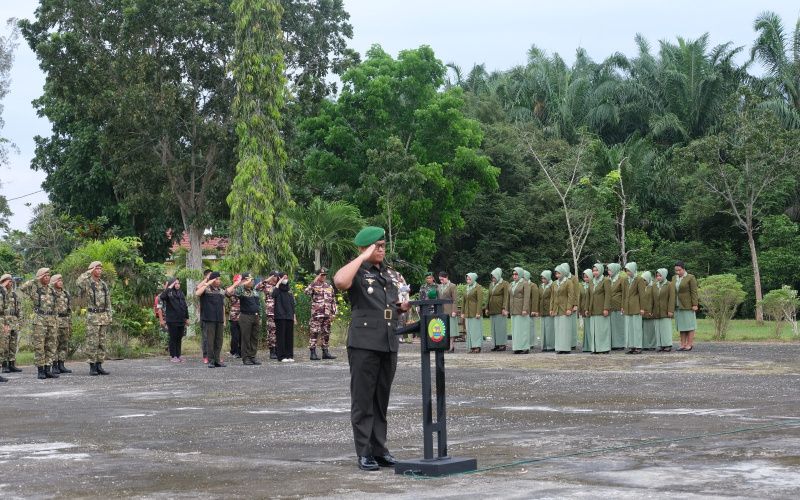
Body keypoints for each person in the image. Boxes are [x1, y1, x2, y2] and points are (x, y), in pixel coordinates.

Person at [333, 226, 409, 471]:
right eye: (376, 246)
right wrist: (362, 258)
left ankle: (379, 450)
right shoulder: (356, 271)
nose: (381, 249)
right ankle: (364, 452)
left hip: (388, 340)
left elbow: (391, 305)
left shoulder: (389, 273)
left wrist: (401, 307)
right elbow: (340, 282)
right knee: (363, 400)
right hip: (364, 342)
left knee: (380, 400)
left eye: (383, 245)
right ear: (363, 248)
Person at [20, 268, 60, 379]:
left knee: (51, 346)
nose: (47, 277)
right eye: (45, 275)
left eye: (48, 275)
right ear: (40, 276)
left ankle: (48, 369)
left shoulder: (51, 290)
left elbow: (55, 308)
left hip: (51, 321)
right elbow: (22, 288)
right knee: (40, 347)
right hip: (39, 321)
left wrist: (56, 322)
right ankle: (40, 370)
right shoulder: (35, 289)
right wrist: (35, 279)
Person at [228, 272, 263, 364]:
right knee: (246, 337)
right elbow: (235, 294)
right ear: (243, 280)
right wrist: (242, 284)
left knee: (254, 337)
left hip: (255, 316)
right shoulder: (241, 290)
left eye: (252, 280)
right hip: (245, 316)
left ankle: (252, 357)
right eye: (248, 280)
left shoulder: (254, 291)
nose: (250, 282)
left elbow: (258, 305)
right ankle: (246, 358)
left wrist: (260, 317)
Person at [305, 268, 337, 360]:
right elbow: (306, 292)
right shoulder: (314, 286)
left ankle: (325, 352)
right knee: (314, 333)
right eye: (321, 275)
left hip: (327, 314)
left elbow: (333, 300)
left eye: (324, 275)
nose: (323, 277)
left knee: (326, 333)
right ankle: (313, 353)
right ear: (317, 275)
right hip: (316, 314)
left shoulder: (329, 286)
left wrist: (333, 313)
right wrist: (314, 281)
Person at [196, 272, 226, 368]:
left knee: (219, 340)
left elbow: (223, 307)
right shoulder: (206, 289)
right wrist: (208, 283)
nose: (218, 281)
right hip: (209, 318)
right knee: (210, 340)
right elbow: (197, 293)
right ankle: (211, 360)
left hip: (219, 319)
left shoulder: (221, 291)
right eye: (216, 279)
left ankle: (217, 360)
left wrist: (224, 319)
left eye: (219, 279)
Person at [160, 278, 190, 362]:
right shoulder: (169, 293)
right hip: (172, 319)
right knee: (173, 337)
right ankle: (173, 356)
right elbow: (162, 296)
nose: (177, 285)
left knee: (179, 338)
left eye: (178, 283)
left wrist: (187, 318)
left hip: (181, 319)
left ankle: (178, 355)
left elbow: (185, 306)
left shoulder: (181, 293)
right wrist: (169, 287)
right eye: (175, 283)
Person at [673, 261, 698, 351]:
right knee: (682, 326)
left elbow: (694, 292)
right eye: (676, 270)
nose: (678, 272)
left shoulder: (690, 277)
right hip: (677, 305)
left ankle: (689, 344)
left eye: (679, 270)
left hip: (688, 305)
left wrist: (695, 304)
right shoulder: (674, 278)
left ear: (684, 269)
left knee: (689, 325)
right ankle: (683, 344)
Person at [272, 272, 297, 362]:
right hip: (280, 316)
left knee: (289, 336)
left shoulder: (289, 290)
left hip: (289, 315)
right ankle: (281, 356)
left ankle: (289, 355)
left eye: (286, 278)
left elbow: (292, 304)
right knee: (281, 336)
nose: (285, 280)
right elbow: (273, 295)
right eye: (283, 278)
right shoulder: (277, 289)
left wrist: (294, 316)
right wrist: (278, 283)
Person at [1, 274, 23, 376]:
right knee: (4, 344)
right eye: (8, 281)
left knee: (13, 344)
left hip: (14, 321)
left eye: (11, 281)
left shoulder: (14, 295)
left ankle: (12, 364)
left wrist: (20, 322)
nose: (10, 283)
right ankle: (4, 365)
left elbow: (19, 309)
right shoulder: (1, 293)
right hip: (5, 322)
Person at [50, 274, 73, 374]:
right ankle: (54, 365)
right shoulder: (51, 293)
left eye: (61, 280)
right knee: (55, 344)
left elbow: (69, 310)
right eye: (58, 280)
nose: (60, 282)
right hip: (55, 321)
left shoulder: (65, 293)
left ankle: (61, 364)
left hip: (64, 321)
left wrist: (69, 323)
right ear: (54, 282)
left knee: (63, 345)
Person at [550, 264, 575, 354]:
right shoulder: (554, 283)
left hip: (565, 309)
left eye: (559, 273)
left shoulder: (568, 282)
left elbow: (570, 296)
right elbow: (552, 296)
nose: (557, 275)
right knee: (558, 329)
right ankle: (560, 348)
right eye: (556, 273)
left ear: (563, 273)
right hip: (556, 309)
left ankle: (566, 348)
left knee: (565, 329)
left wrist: (569, 308)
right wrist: (551, 308)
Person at [622, 262, 645, 355]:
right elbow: (624, 294)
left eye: (629, 270)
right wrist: (623, 306)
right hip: (627, 307)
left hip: (636, 307)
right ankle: (631, 346)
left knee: (636, 328)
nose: (628, 272)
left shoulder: (639, 279)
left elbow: (642, 294)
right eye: (626, 271)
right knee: (629, 328)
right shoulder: (626, 280)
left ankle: (638, 347)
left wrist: (642, 308)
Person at [588, 264, 611, 354]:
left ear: (601, 270)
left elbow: (608, 295)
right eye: (593, 271)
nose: (595, 272)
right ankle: (595, 348)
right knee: (594, 330)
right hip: (593, 309)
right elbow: (589, 296)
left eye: (597, 270)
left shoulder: (606, 280)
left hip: (601, 309)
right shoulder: (591, 281)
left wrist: (606, 308)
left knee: (602, 330)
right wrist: (587, 308)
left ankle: (604, 348)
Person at [255, 271, 279, 359]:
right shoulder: (267, 285)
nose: (276, 277)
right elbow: (257, 287)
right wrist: (267, 280)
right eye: (275, 276)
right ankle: (272, 351)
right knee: (271, 332)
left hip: (280, 311)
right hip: (271, 311)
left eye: (277, 276)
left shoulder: (279, 285)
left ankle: (278, 349)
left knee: (279, 331)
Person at [485, 268, 509, 351]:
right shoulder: (491, 284)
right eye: (492, 277)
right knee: (494, 327)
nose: (493, 279)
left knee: (501, 327)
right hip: (492, 308)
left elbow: (506, 296)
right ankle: (496, 343)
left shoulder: (505, 284)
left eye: (494, 277)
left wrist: (504, 308)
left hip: (500, 309)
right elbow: (489, 296)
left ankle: (502, 344)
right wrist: (487, 307)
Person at [508, 267, 530, 354]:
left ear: (520, 274)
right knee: (515, 329)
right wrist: (507, 309)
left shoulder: (525, 284)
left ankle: (525, 347)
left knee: (523, 329)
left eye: (516, 274)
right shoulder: (511, 284)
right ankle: (517, 347)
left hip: (521, 309)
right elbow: (508, 297)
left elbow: (527, 297)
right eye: (513, 274)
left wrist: (525, 309)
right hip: (514, 309)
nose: (514, 276)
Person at [654, 268, 676, 352]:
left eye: (660, 276)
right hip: (657, 310)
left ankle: (667, 344)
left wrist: (670, 310)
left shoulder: (670, 285)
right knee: (658, 328)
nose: (658, 277)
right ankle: (661, 345)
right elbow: (653, 299)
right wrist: (652, 310)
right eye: (657, 276)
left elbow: (672, 298)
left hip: (665, 309)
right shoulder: (655, 285)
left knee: (665, 328)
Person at [461, 273, 484, 353]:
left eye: (470, 279)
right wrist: (462, 312)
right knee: (469, 330)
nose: (468, 281)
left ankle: (477, 346)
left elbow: (480, 301)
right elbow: (464, 301)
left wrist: (478, 312)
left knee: (476, 330)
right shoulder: (466, 288)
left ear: (473, 279)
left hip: (475, 312)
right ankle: (471, 346)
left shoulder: (478, 287)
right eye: (467, 279)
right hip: (467, 312)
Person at [438, 271, 458, 353]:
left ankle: (451, 346)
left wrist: (454, 311)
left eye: (442, 279)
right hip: (441, 310)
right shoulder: (439, 286)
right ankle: (444, 345)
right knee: (444, 329)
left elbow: (455, 299)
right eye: (440, 280)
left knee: (451, 329)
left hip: (450, 310)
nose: (441, 281)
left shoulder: (452, 286)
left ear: (446, 277)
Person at [608, 263, 625, 350]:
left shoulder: (621, 279)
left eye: (610, 270)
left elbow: (624, 293)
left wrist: (623, 305)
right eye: (608, 270)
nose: (609, 272)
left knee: (619, 325)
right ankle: (612, 343)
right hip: (610, 306)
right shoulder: (608, 279)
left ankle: (620, 344)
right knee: (611, 325)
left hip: (618, 305)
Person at [198, 268, 213, 363]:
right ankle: (206, 356)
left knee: (214, 337)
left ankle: (214, 355)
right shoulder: (204, 287)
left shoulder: (214, 288)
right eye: (210, 275)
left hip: (215, 316)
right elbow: (197, 289)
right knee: (206, 337)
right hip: (205, 315)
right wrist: (207, 280)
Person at [539, 270, 555, 351]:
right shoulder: (541, 286)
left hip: (549, 309)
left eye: (545, 278)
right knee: (543, 329)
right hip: (542, 310)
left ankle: (551, 345)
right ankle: (544, 345)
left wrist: (552, 308)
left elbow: (553, 297)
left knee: (550, 329)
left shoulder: (552, 285)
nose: (543, 280)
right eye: (542, 278)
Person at [227, 274, 242, 359]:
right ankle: (234, 351)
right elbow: (226, 293)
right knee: (235, 336)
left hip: (243, 316)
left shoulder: (243, 290)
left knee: (242, 336)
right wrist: (235, 285)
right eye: (238, 281)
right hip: (234, 317)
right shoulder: (232, 289)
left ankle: (241, 351)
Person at [641, 271, 657, 351]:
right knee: (644, 329)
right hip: (643, 310)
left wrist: (653, 310)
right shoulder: (643, 287)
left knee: (651, 329)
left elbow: (655, 299)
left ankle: (652, 345)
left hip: (650, 310)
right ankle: (645, 344)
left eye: (644, 280)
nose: (643, 282)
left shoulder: (653, 286)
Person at [525, 270, 541, 350]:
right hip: (524, 309)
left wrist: (534, 310)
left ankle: (531, 342)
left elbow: (535, 298)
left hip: (531, 309)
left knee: (531, 326)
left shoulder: (533, 285)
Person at [580, 269, 593, 353]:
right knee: (586, 328)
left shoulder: (593, 285)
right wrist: (580, 309)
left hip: (590, 309)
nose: (586, 279)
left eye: (587, 277)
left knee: (591, 328)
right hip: (583, 308)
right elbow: (580, 298)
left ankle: (591, 345)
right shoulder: (582, 286)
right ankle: (587, 346)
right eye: (584, 277)